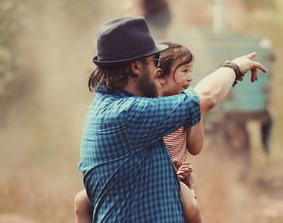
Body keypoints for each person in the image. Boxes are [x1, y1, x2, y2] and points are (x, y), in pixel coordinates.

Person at [78, 16, 267, 222]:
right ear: (136, 67)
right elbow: (206, 98)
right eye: (153, 62)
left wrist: (170, 181)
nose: (156, 71)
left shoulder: (113, 108)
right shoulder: (126, 113)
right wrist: (234, 66)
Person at [74, 42, 203, 223]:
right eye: (184, 71)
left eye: (191, 71)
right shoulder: (145, 107)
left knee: (191, 207)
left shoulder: (183, 107)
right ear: (160, 76)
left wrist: (195, 107)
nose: (190, 78)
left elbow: (195, 147)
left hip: (172, 178)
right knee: (81, 200)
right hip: (135, 179)